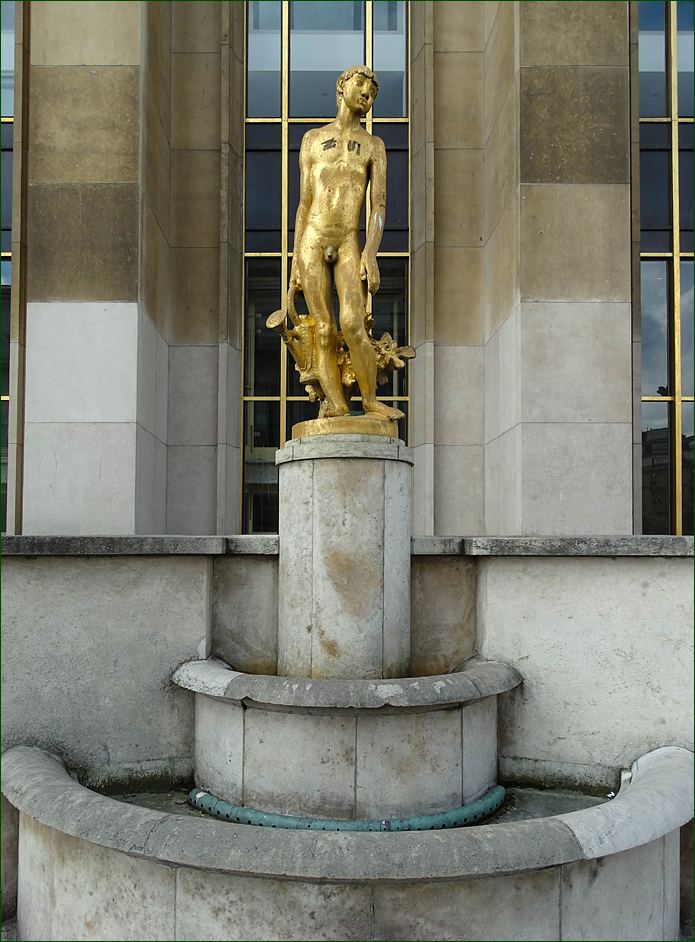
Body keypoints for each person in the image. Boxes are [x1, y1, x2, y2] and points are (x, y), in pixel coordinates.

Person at [289, 65, 404, 421]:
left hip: (347, 241)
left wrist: (371, 251)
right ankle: (337, 404)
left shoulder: (373, 146)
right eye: (361, 84)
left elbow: (379, 204)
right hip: (312, 238)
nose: (367, 93)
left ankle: (369, 400)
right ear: (342, 86)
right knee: (321, 326)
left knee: (353, 322)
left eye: (373, 90)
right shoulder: (311, 139)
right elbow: (304, 202)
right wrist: (295, 258)